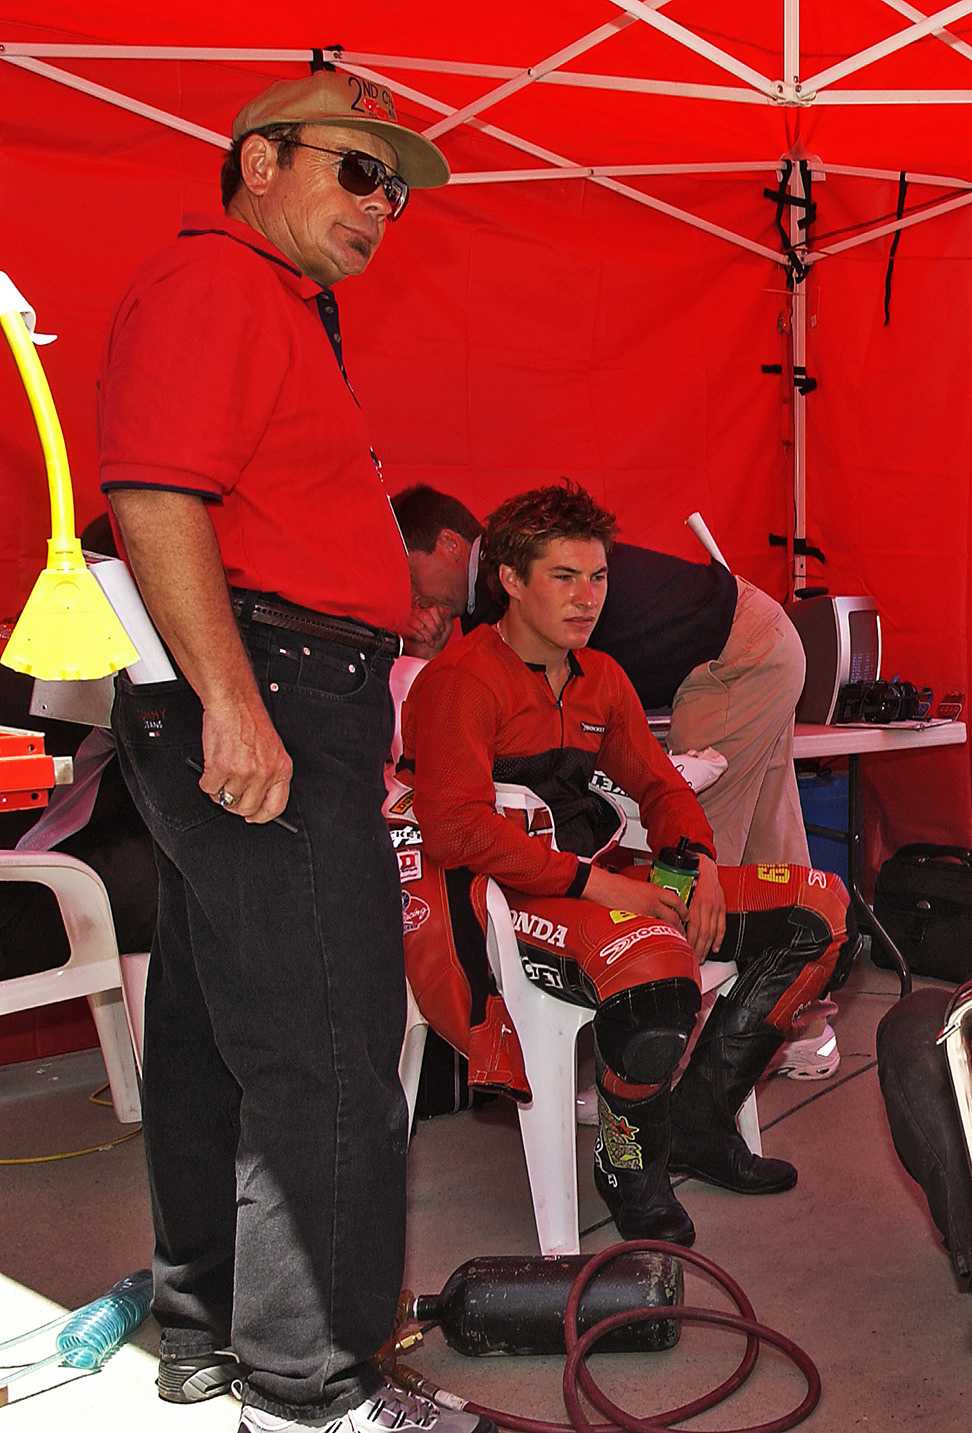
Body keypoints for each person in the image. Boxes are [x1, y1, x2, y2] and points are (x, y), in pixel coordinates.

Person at [96, 72, 484, 1433]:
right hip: (258, 677)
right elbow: (151, 494)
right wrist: (236, 702)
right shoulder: (217, 288)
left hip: (272, 679)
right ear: (259, 163)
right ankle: (314, 1388)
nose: (383, 207)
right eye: (356, 172)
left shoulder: (268, 306)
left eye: (397, 189)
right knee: (328, 1044)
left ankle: (205, 1337)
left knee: (219, 1034)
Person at [400, 484, 854, 1245]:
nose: (587, 599)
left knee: (820, 910)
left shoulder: (600, 675)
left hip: (604, 880)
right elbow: (454, 831)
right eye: (564, 577)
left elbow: (660, 785)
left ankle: (702, 1117)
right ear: (510, 580)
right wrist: (603, 886)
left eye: (599, 577)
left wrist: (698, 863)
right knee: (654, 961)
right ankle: (627, 1162)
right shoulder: (460, 680)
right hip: (510, 904)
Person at [392, 485, 808, 868]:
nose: (586, 600)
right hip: (762, 629)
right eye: (565, 578)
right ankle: (796, 931)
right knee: (765, 829)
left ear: (451, 545)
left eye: (410, 575)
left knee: (697, 846)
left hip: (739, 648)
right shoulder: (487, 647)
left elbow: (671, 804)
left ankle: (717, 941)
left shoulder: (509, 600)